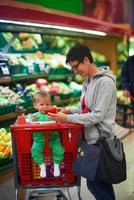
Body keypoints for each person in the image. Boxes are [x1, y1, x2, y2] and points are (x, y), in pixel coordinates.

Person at [47, 44, 116, 200]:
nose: (75, 71)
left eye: (75, 66)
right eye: (72, 68)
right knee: (100, 184)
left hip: (101, 141)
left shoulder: (104, 82)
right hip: (91, 140)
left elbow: (97, 115)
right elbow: (84, 108)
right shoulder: (88, 82)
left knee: (96, 184)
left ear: (86, 60)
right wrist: (68, 111)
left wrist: (67, 118)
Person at [26, 90, 64, 178]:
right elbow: (27, 124)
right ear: (35, 105)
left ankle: (56, 166)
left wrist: (57, 116)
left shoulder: (52, 114)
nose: (45, 107)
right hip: (39, 140)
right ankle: (42, 166)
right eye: (42, 105)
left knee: (59, 150)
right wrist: (32, 121)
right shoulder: (34, 116)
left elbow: (60, 121)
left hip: (53, 139)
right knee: (34, 151)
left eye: (47, 104)